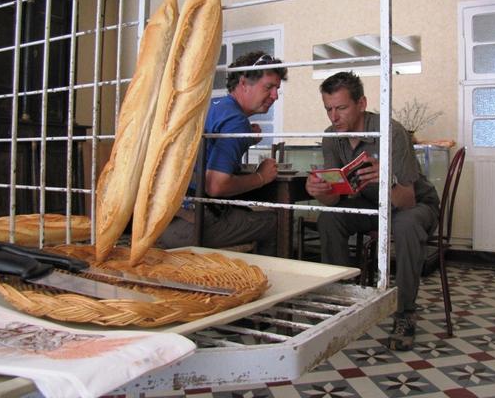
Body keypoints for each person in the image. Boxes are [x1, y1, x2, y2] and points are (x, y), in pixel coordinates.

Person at [305, 71, 439, 351]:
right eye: (328, 109)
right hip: (368, 203)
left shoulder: (392, 132)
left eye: (341, 108)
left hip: (412, 202)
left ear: (362, 103)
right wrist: (321, 192)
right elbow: (334, 201)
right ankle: (341, 305)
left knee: (405, 225)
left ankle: (405, 312)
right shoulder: (331, 137)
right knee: (328, 219)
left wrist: (386, 179)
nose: (333, 116)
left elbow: (407, 200)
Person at [157, 51, 288, 255]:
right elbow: (216, 186)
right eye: (269, 87)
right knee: (275, 222)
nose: (275, 96)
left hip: (163, 218)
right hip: (190, 227)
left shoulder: (214, 107)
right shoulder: (236, 122)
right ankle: (257, 280)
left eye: (277, 89)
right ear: (244, 83)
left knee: (242, 213)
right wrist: (262, 177)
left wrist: (245, 139)